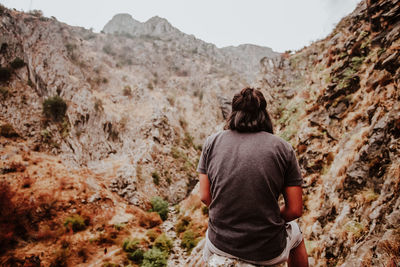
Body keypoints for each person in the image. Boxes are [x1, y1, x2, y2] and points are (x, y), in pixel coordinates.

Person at [197, 87, 309, 266]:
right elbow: (295, 210)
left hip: (220, 245)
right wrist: (265, 217)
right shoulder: (283, 148)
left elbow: (204, 196)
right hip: (266, 251)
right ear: (264, 114)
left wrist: (230, 212)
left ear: (233, 113)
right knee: (296, 234)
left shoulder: (212, 142)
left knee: (207, 249)